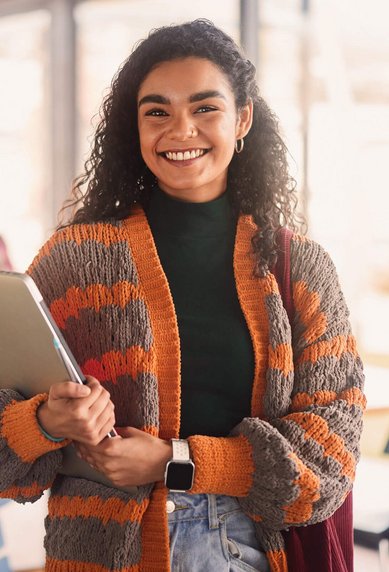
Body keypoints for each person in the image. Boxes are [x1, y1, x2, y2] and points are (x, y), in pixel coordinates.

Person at [0, 19, 365, 572]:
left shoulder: (300, 269)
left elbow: (333, 451)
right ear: (135, 127)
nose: (180, 130)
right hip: (97, 555)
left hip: (245, 548)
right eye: (157, 111)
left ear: (241, 119)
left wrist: (176, 463)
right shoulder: (71, 262)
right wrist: (48, 422)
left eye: (205, 108)